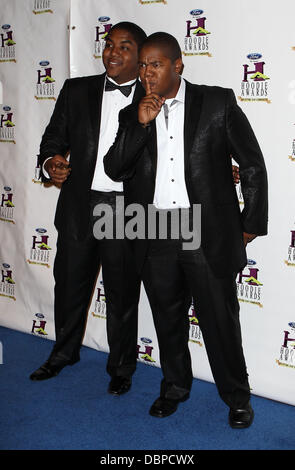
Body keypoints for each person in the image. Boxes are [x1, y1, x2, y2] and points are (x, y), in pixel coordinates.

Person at [104, 32, 268, 427]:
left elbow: (251, 164)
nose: (146, 74)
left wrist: (250, 224)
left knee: (219, 320)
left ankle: (237, 396)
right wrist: (141, 125)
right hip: (156, 228)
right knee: (167, 317)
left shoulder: (216, 102)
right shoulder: (133, 111)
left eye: (154, 65)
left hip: (204, 230)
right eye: (142, 66)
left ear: (178, 65)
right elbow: (114, 168)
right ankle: (174, 387)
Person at [29, 22, 147, 396]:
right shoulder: (76, 90)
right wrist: (51, 162)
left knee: (122, 293)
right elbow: (52, 139)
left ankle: (122, 366)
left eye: (124, 47)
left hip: (125, 211)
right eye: (109, 45)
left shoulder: (155, 96)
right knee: (70, 286)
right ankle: (63, 353)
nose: (112, 52)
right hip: (80, 205)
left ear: (141, 56)